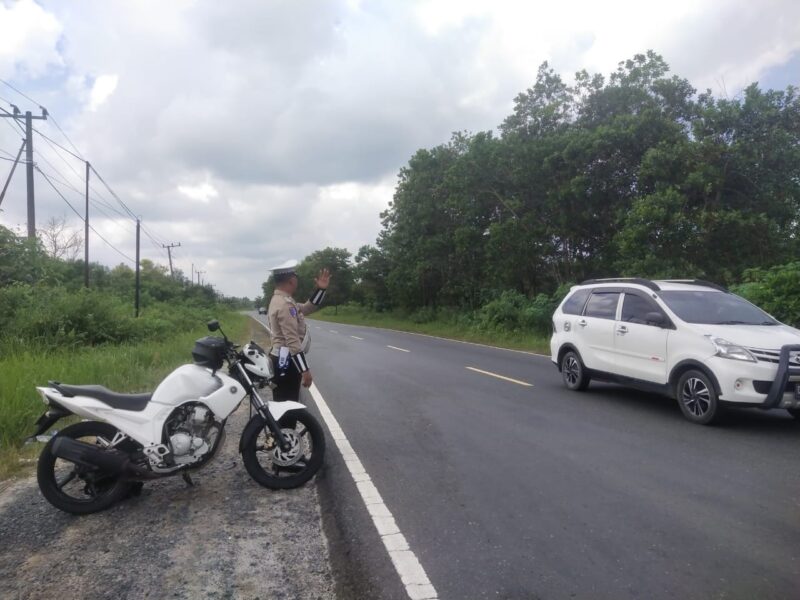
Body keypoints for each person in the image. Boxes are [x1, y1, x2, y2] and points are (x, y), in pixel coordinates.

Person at [266, 260, 330, 401]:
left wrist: (321, 290)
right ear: (291, 281)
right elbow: (292, 341)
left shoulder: (282, 300)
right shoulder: (285, 305)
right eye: (296, 277)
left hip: (282, 359)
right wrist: (304, 370)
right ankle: (285, 424)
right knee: (288, 406)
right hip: (286, 362)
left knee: (284, 403)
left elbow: (307, 308)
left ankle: (283, 424)